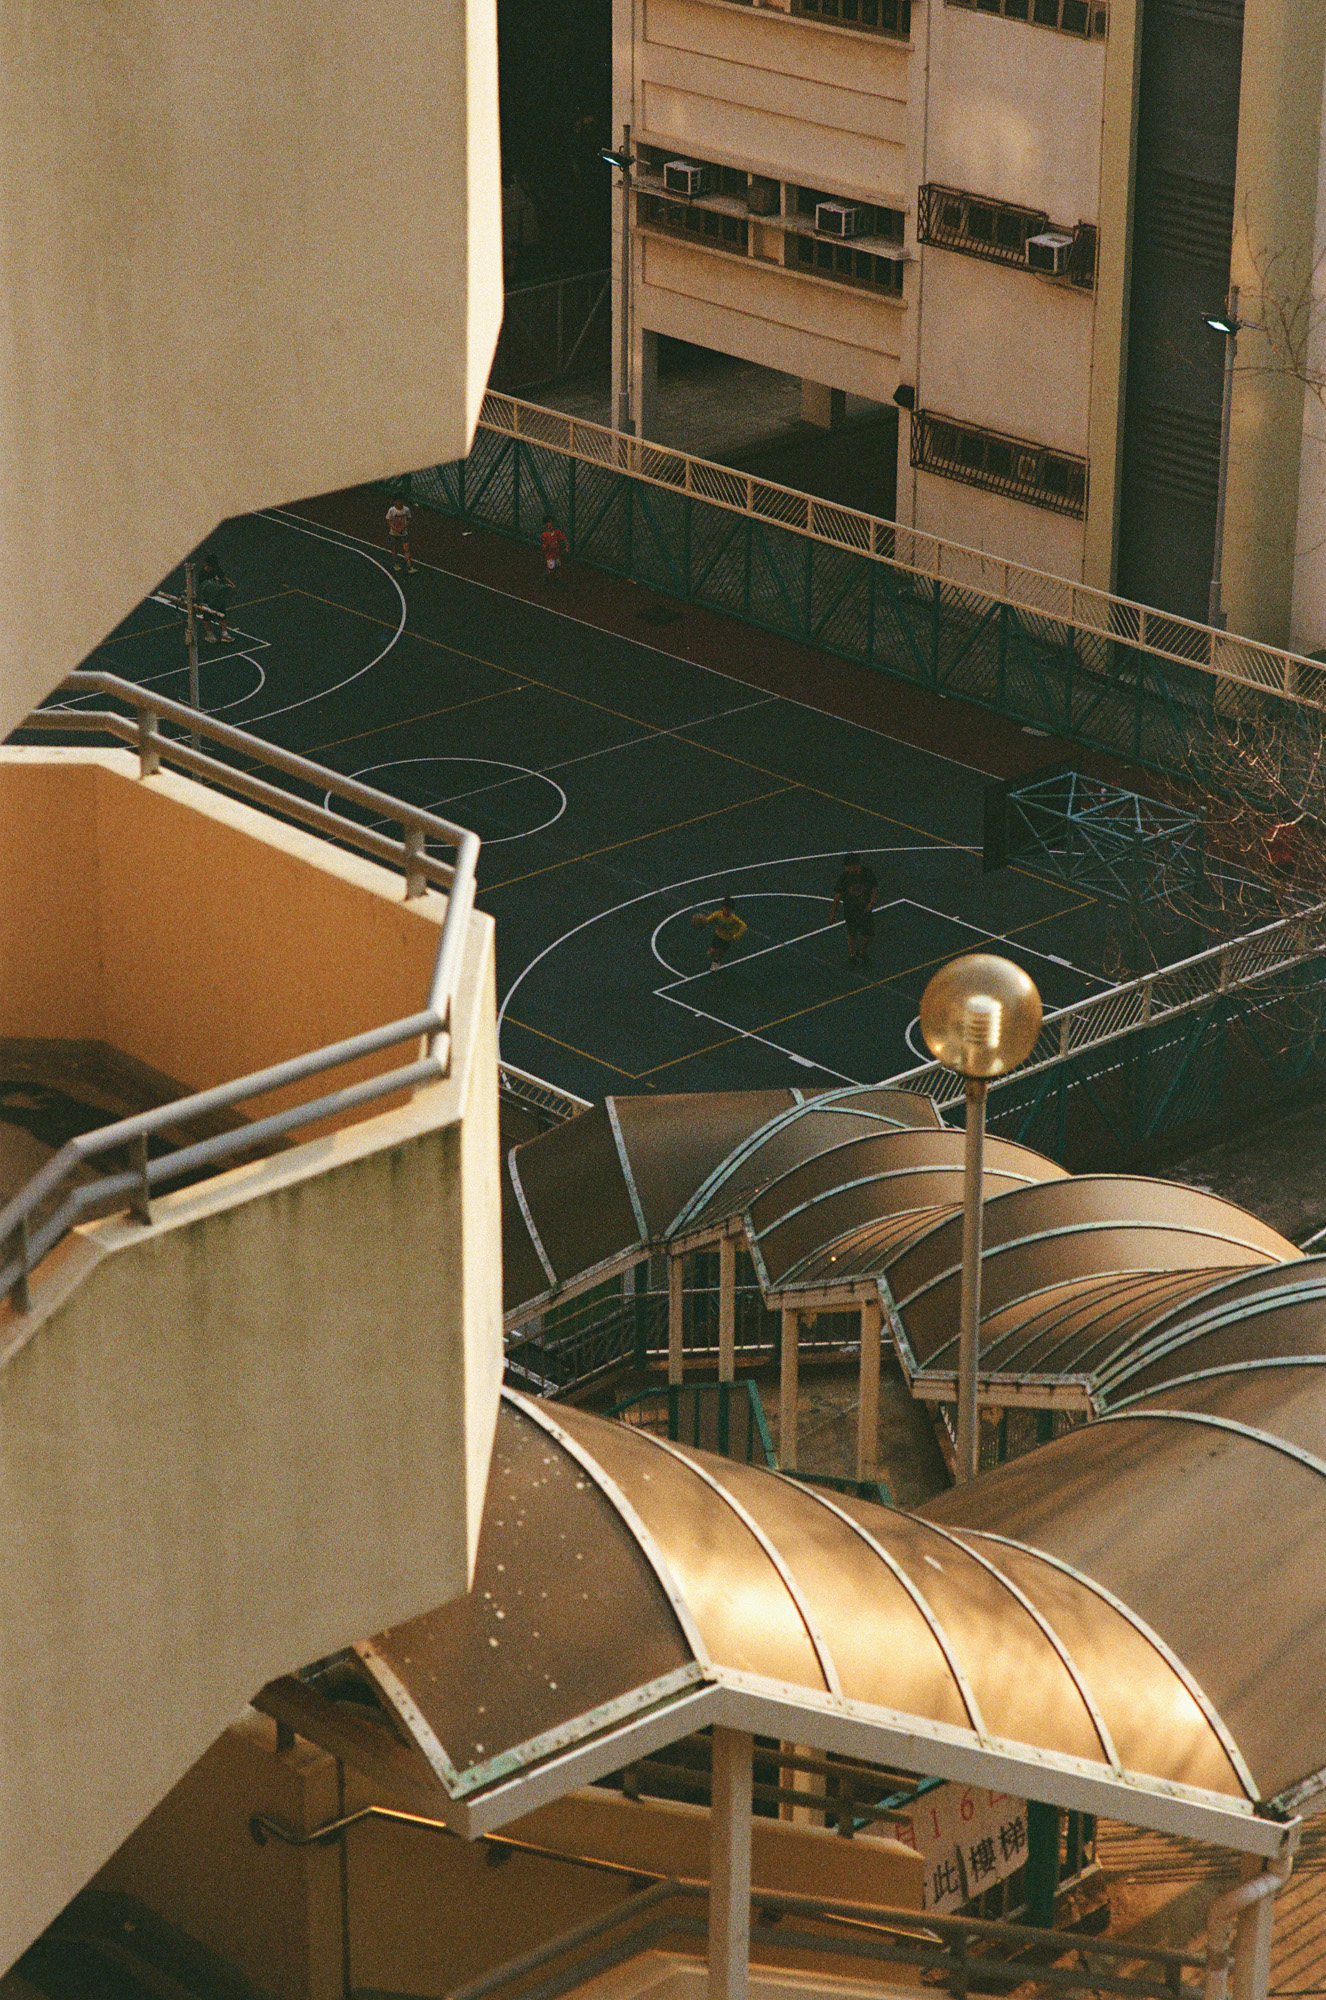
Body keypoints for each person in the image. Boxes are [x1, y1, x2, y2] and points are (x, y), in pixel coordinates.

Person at [832, 852, 878, 968]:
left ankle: (861, 951)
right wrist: (833, 914)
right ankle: (852, 955)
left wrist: (871, 902)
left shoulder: (867, 874)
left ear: (855, 865)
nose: (846, 868)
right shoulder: (845, 877)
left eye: (847, 866)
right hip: (851, 910)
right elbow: (837, 896)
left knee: (868, 934)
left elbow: (874, 887)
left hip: (864, 909)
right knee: (852, 934)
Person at [691, 894, 748, 968]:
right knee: (712, 950)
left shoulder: (734, 919)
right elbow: (709, 919)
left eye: (729, 910)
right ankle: (713, 955)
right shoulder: (717, 914)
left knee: (719, 952)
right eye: (725, 908)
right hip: (718, 935)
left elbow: (743, 926)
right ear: (722, 907)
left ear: (731, 910)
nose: (726, 911)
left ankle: (715, 963)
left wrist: (736, 935)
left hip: (727, 939)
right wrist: (703, 922)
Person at [196, 553, 235, 644]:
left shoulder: (216, 568)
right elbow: (203, 587)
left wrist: (232, 584)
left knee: (222, 613)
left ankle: (224, 634)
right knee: (207, 615)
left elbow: (223, 576)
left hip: (217, 596)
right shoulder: (202, 574)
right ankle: (209, 634)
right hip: (207, 597)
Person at [385, 495, 415, 574]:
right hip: (394, 533)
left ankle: (409, 566)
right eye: (398, 501)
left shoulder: (406, 510)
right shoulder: (391, 510)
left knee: (407, 549)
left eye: (401, 501)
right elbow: (388, 520)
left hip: (404, 533)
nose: (399, 503)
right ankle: (395, 564)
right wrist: (395, 528)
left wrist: (404, 527)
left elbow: (409, 519)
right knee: (395, 549)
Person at [541, 514, 568, 584]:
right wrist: (546, 547)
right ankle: (546, 576)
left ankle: (558, 579)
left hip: (557, 553)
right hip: (550, 555)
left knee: (558, 566)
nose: (551, 524)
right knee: (551, 568)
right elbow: (544, 545)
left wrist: (565, 547)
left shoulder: (557, 532)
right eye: (549, 523)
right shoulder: (545, 535)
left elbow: (563, 539)